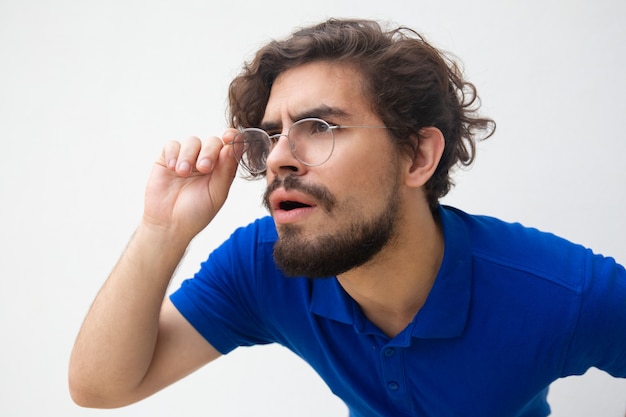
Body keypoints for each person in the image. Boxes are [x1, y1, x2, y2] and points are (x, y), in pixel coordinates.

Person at [68, 18, 626, 417]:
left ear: (416, 156)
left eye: (321, 127)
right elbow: (101, 387)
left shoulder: (564, 291)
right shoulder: (264, 263)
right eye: (275, 134)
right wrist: (163, 230)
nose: (281, 156)